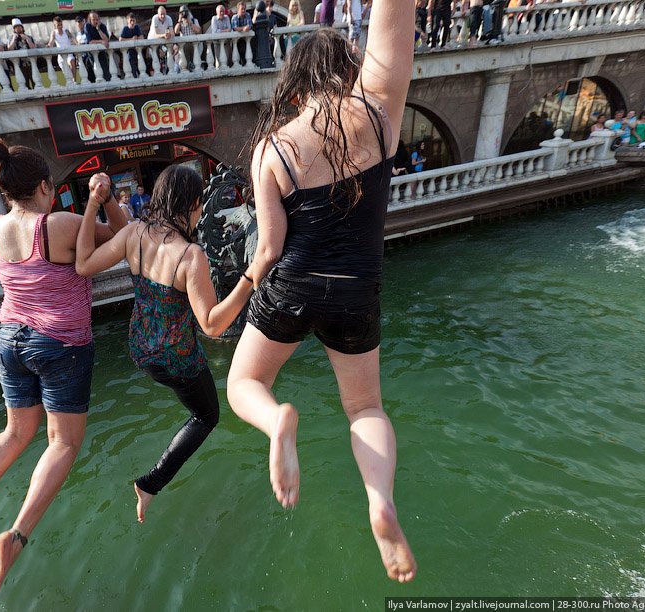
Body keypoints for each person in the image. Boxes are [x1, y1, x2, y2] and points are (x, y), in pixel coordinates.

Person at [227, 0, 418, 582]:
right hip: (358, 290)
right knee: (364, 407)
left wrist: (238, 296)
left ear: (293, 86)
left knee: (247, 382)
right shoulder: (381, 114)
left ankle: (278, 421)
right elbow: (394, 27)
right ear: (347, 68)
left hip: (292, 283)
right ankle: (379, 502)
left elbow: (268, 248)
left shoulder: (273, 147)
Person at [0, 139, 126, 603]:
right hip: (61, 343)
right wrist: (107, 197)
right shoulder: (59, 223)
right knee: (62, 442)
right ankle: (15, 536)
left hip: (10, 338)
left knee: (15, 433)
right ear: (45, 186)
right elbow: (126, 237)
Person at [75, 164, 258, 523]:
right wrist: (250, 277)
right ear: (192, 203)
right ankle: (150, 484)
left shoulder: (133, 234)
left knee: (195, 406)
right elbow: (212, 325)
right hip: (178, 358)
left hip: (141, 349)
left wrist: (92, 204)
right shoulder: (191, 256)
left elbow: (83, 265)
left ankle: (151, 485)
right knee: (207, 416)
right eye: (200, 204)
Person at [47, 16, 79, 83]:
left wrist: (78, 45)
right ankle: (71, 83)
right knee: (67, 74)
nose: (60, 26)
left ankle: (74, 81)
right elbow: (51, 42)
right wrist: (49, 46)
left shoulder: (66, 31)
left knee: (72, 62)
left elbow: (73, 39)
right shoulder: (53, 33)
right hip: (61, 57)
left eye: (61, 24)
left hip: (69, 54)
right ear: (55, 26)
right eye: (58, 25)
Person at [7, 19, 36, 90]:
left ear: (22, 27)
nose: (18, 28)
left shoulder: (29, 37)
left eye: (19, 26)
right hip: (20, 64)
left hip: (31, 63)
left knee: (35, 81)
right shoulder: (11, 38)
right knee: (24, 83)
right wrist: (14, 39)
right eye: (16, 27)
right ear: (14, 29)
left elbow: (33, 48)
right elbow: (9, 49)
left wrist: (27, 39)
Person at [84, 12, 111, 83]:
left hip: (102, 52)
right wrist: (101, 41)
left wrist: (98, 29)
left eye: (97, 19)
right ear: (90, 20)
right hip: (92, 52)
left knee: (105, 70)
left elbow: (106, 40)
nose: (96, 21)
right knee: (96, 70)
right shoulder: (87, 26)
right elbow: (90, 41)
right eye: (93, 20)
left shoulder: (102, 26)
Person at [174, 6, 202, 71]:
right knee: (185, 64)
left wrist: (191, 23)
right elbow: (176, 31)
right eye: (182, 13)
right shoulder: (180, 23)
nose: (184, 14)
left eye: (185, 12)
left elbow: (199, 31)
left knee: (194, 63)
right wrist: (179, 21)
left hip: (193, 45)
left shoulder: (194, 20)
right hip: (184, 46)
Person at [119, 13, 145, 78]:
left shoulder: (137, 27)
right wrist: (131, 39)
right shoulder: (125, 29)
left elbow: (142, 37)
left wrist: (136, 38)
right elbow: (120, 39)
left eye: (133, 20)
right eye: (131, 21)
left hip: (137, 52)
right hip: (130, 53)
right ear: (128, 21)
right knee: (132, 69)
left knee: (141, 68)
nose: (132, 22)